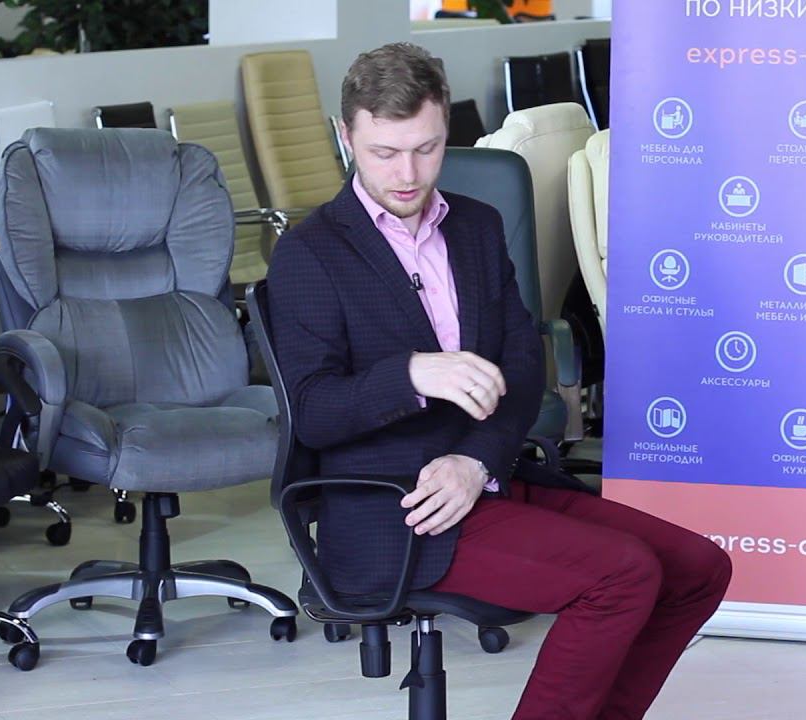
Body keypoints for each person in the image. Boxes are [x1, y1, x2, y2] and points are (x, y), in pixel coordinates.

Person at [266, 42, 732, 720]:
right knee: (622, 577)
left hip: (488, 476)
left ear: (445, 130)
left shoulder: (475, 227)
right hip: (394, 510)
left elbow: (520, 366)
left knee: (698, 568)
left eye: (426, 149)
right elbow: (313, 412)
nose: (407, 173)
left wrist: (475, 460)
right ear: (346, 136)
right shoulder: (310, 253)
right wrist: (412, 373)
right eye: (384, 153)